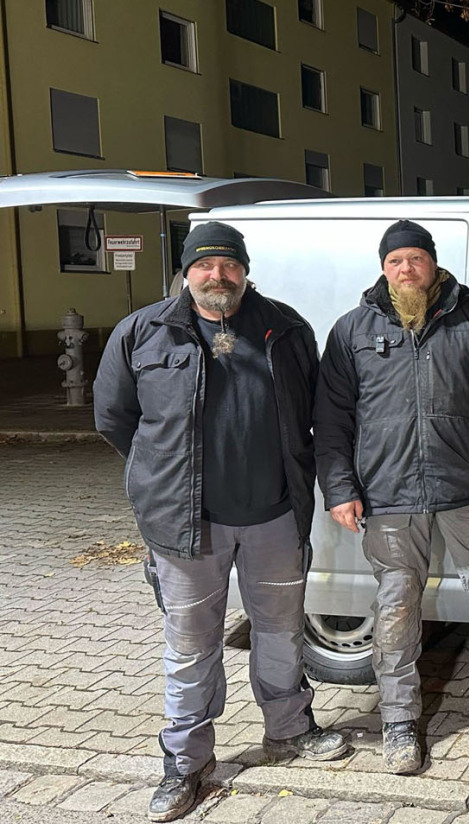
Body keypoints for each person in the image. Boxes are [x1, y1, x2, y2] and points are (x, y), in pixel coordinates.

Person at [94, 223, 350, 822]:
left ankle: (288, 731)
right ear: (187, 272)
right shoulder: (143, 332)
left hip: (275, 518)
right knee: (190, 647)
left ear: (244, 270)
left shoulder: (286, 329)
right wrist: (160, 476)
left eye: (229, 265)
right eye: (205, 265)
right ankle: (185, 763)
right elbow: (114, 417)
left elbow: (314, 412)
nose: (217, 275)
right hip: (186, 525)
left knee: (282, 632)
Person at [314, 219, 469, 775]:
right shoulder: (352, 331)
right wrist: (341, 488)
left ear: (433, 263)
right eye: (396, 260)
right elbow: (330, 419)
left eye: (416, 258)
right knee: (396, 609)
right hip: (389, 495)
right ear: (383, 268)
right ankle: (399, 722)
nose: (406, 269)